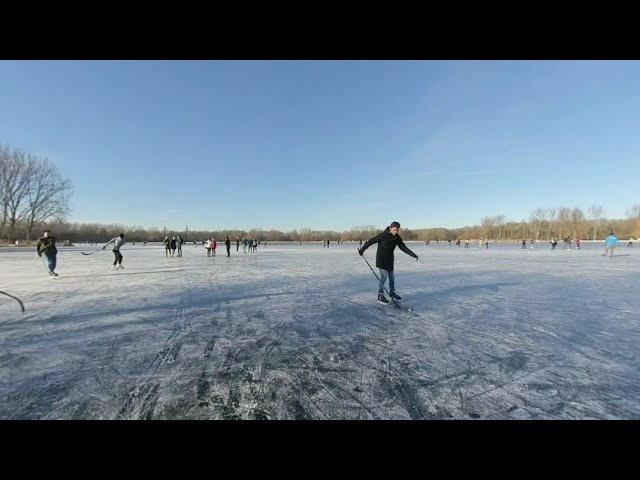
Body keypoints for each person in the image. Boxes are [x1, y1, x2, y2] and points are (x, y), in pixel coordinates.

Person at [358, 221, 418, 305]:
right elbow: (371, 241)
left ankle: (392, 293)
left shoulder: (397, 237)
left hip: (390, 260)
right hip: (381, 260)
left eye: (397, 230)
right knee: (384, 276)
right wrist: (362, 250)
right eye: (394, 230)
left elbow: (403, 247)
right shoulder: (383, 235)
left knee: (391, 277)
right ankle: (380, 295)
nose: (395, 232)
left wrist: (413, 254)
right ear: (390, 228)